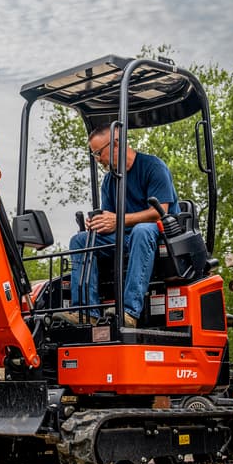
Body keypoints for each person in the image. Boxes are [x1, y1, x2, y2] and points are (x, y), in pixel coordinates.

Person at [63, 126, 180, 326]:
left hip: (158, 235)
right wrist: (98, 224)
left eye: (99, 153)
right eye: (94, 155)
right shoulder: (109, 182)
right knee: (81, 240)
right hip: (123, 238)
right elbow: (110, 218)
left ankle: (129, 312)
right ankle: (86, 311)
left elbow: (159, 212)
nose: (97, 159)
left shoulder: (153, 167)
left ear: (116, 143)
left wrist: (117, 220)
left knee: (141, 231)